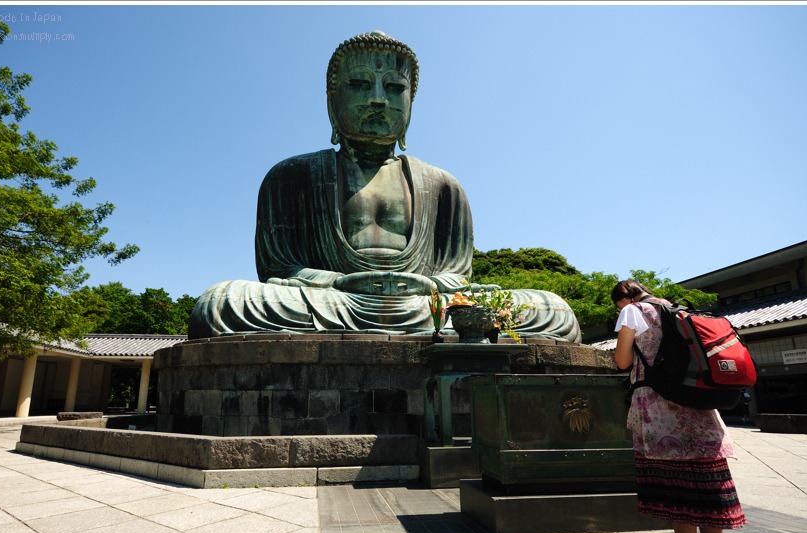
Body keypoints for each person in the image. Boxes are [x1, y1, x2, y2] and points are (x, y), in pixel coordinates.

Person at [188, 31, 580, 342]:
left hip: (423, 304)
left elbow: (456, 276)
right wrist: (339, 281)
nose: (378, 100)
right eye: (360, 84)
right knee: (223, 303)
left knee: (551, 310)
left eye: (394, 88)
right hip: (333, 302)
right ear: (332, 98)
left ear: (412, 102)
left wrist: (425, 284)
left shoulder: (443, 186)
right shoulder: (291, 176)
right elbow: (279, 268)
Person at [612, 279, 746, 533]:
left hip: (660, 410)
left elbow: (622, 361)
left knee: (678, 490)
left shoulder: (632, 311)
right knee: (710, 489)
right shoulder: (677, 310)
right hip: (699, 406)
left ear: (623, 298)